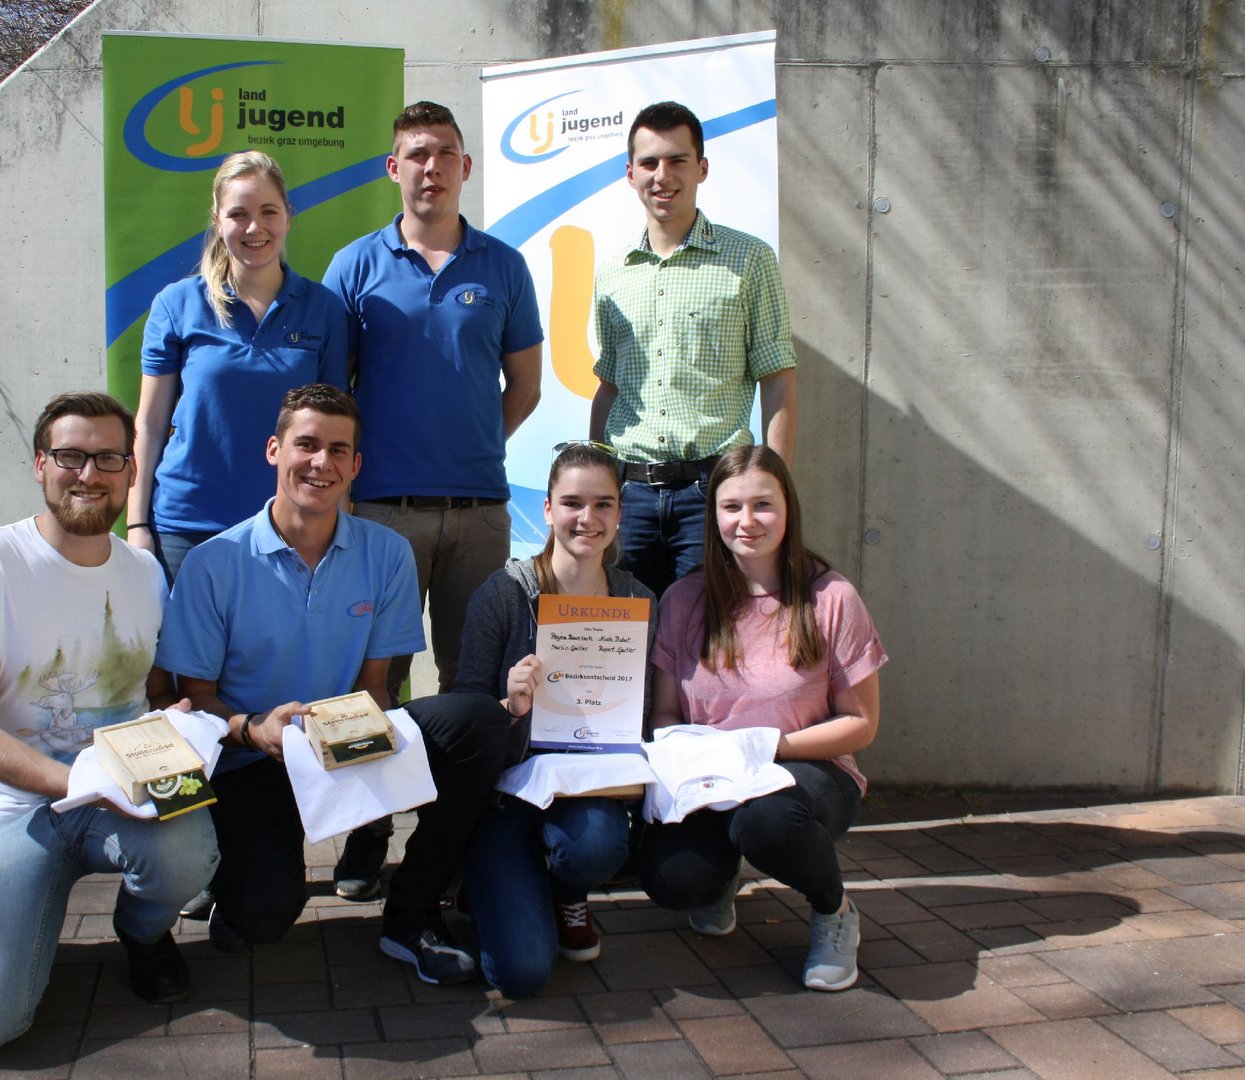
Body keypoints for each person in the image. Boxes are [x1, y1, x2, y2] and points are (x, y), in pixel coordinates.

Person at [154, 383, 510, 985]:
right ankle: (230, 873)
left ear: (356, 465)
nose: (321, 462)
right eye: (307, 444)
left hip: (340, 742)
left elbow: (376, 687)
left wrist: (367, 761)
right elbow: (195, 699)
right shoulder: (215, 562)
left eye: (338, 450)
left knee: (477, 721)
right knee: (262, 916)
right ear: (274, 450)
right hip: (253, 758)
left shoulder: (388, 552)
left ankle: (412, 913)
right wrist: (253, 729)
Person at [0, 391, 218, 1056]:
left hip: (125, 794)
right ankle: (19, 912)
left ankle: (142, 932)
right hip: (16, 808)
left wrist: (185, 725)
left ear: (131, 471)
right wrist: (85, 783)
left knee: (190, 851)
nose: (89, 474)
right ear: (39, 465)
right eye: (70, 456)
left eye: (108, 458)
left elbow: (157, 694)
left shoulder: (146, 572)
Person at [322, 100, 543, 900]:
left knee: (472, 683)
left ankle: (454, 838)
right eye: (416, 153)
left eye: (445, 153)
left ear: (465, 167)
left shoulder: (503, 266)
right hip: (380, 510)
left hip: (479, 511)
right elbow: (333, 394)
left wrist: (472, 444)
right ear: (394, 168)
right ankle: (366, 829)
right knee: (371, 678)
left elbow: (525, 387)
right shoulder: (355, 266)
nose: (431, 167)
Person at [638, 446, 886, 992]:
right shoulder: (684, 599)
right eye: (731, 507)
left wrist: (768, 748)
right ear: (714, 516)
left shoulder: (831, 597)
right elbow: (665, 712)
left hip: (807, 771)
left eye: (762, 505)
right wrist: (684, 758)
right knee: (674, 879)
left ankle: (834, 910)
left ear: (788, 509)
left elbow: (861, 723)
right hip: (710, 777)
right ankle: (720, 875)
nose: (746, 521)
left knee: (764, 822)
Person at [456, 441, 655, 996]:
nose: (587, 518)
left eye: (603, 504)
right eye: (572, 503)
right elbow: (462, 716)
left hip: (587, 788)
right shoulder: (504, 594)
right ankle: (488, 878)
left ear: (620, 512)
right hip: (505, 795)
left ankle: (568, 890)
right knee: (522, 974)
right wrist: (508, 708)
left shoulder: (637, 601)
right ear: (547, 509)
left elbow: (639, 715)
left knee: (595, 847)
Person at [590, 101, 798, 597]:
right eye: (649, 163)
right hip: (629, 494)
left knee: (711, 630)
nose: (662, 176)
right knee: (625, 634)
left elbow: (777, 378)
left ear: (702, 168)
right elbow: (609, 387)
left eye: (677, 160)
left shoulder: (749, 259)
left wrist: (772, 485)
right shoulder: (613, 271)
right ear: (630, 174)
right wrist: (599, 482)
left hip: (713, 490)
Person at [131, 150, 349, 583]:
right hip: (185, 527)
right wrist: (137, 525)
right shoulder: (177, 304)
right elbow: (151, 424)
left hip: (287, 528)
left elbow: (335, 434)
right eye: (238, 214)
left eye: (268, 211)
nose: (254, 227)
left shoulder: (324, 310)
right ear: (218, 221)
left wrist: (338, 525)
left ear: (288, 216)